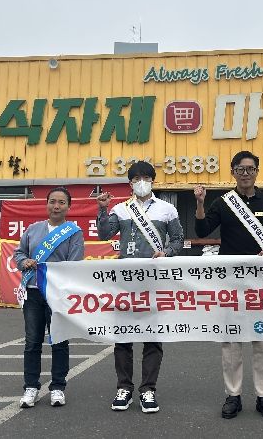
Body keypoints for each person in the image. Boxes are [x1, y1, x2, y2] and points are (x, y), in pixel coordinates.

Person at [194, 151, 263, 420]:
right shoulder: (223, 203)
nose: (245, 173)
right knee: (231, 340)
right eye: (240, 169)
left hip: (262, 281)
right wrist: (200, 203)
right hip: (231, 281)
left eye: (250, 169)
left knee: (262, 340)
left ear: (257, 171)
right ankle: (233, 395)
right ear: (233, 172)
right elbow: (202, 231)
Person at [97, 161, 184, 414]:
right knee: (123, 337)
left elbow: (178, 239)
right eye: (137, 179)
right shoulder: (121, 209)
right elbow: (104, 235)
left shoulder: (167, 209)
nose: (142, 182)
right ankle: (124, 388)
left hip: (154, 281)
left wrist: (166, 253)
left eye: (146, 178)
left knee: (152, 338)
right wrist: (102, 209)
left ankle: (148, 390)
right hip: (125, 282)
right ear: (130, 183)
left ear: (153, 181)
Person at [14, 186, 85, 408]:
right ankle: (31, 387)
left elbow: (74, 264)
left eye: (61, 202)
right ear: (46, 204)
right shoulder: (33, 229)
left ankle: (58, 387)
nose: (56, 206)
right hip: (33, 293)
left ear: (68, 207)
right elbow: (19, 253)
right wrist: (24, 262)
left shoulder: (74, 232)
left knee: (59, 341)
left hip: (58, 294)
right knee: (32, 342)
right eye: (52, 201)